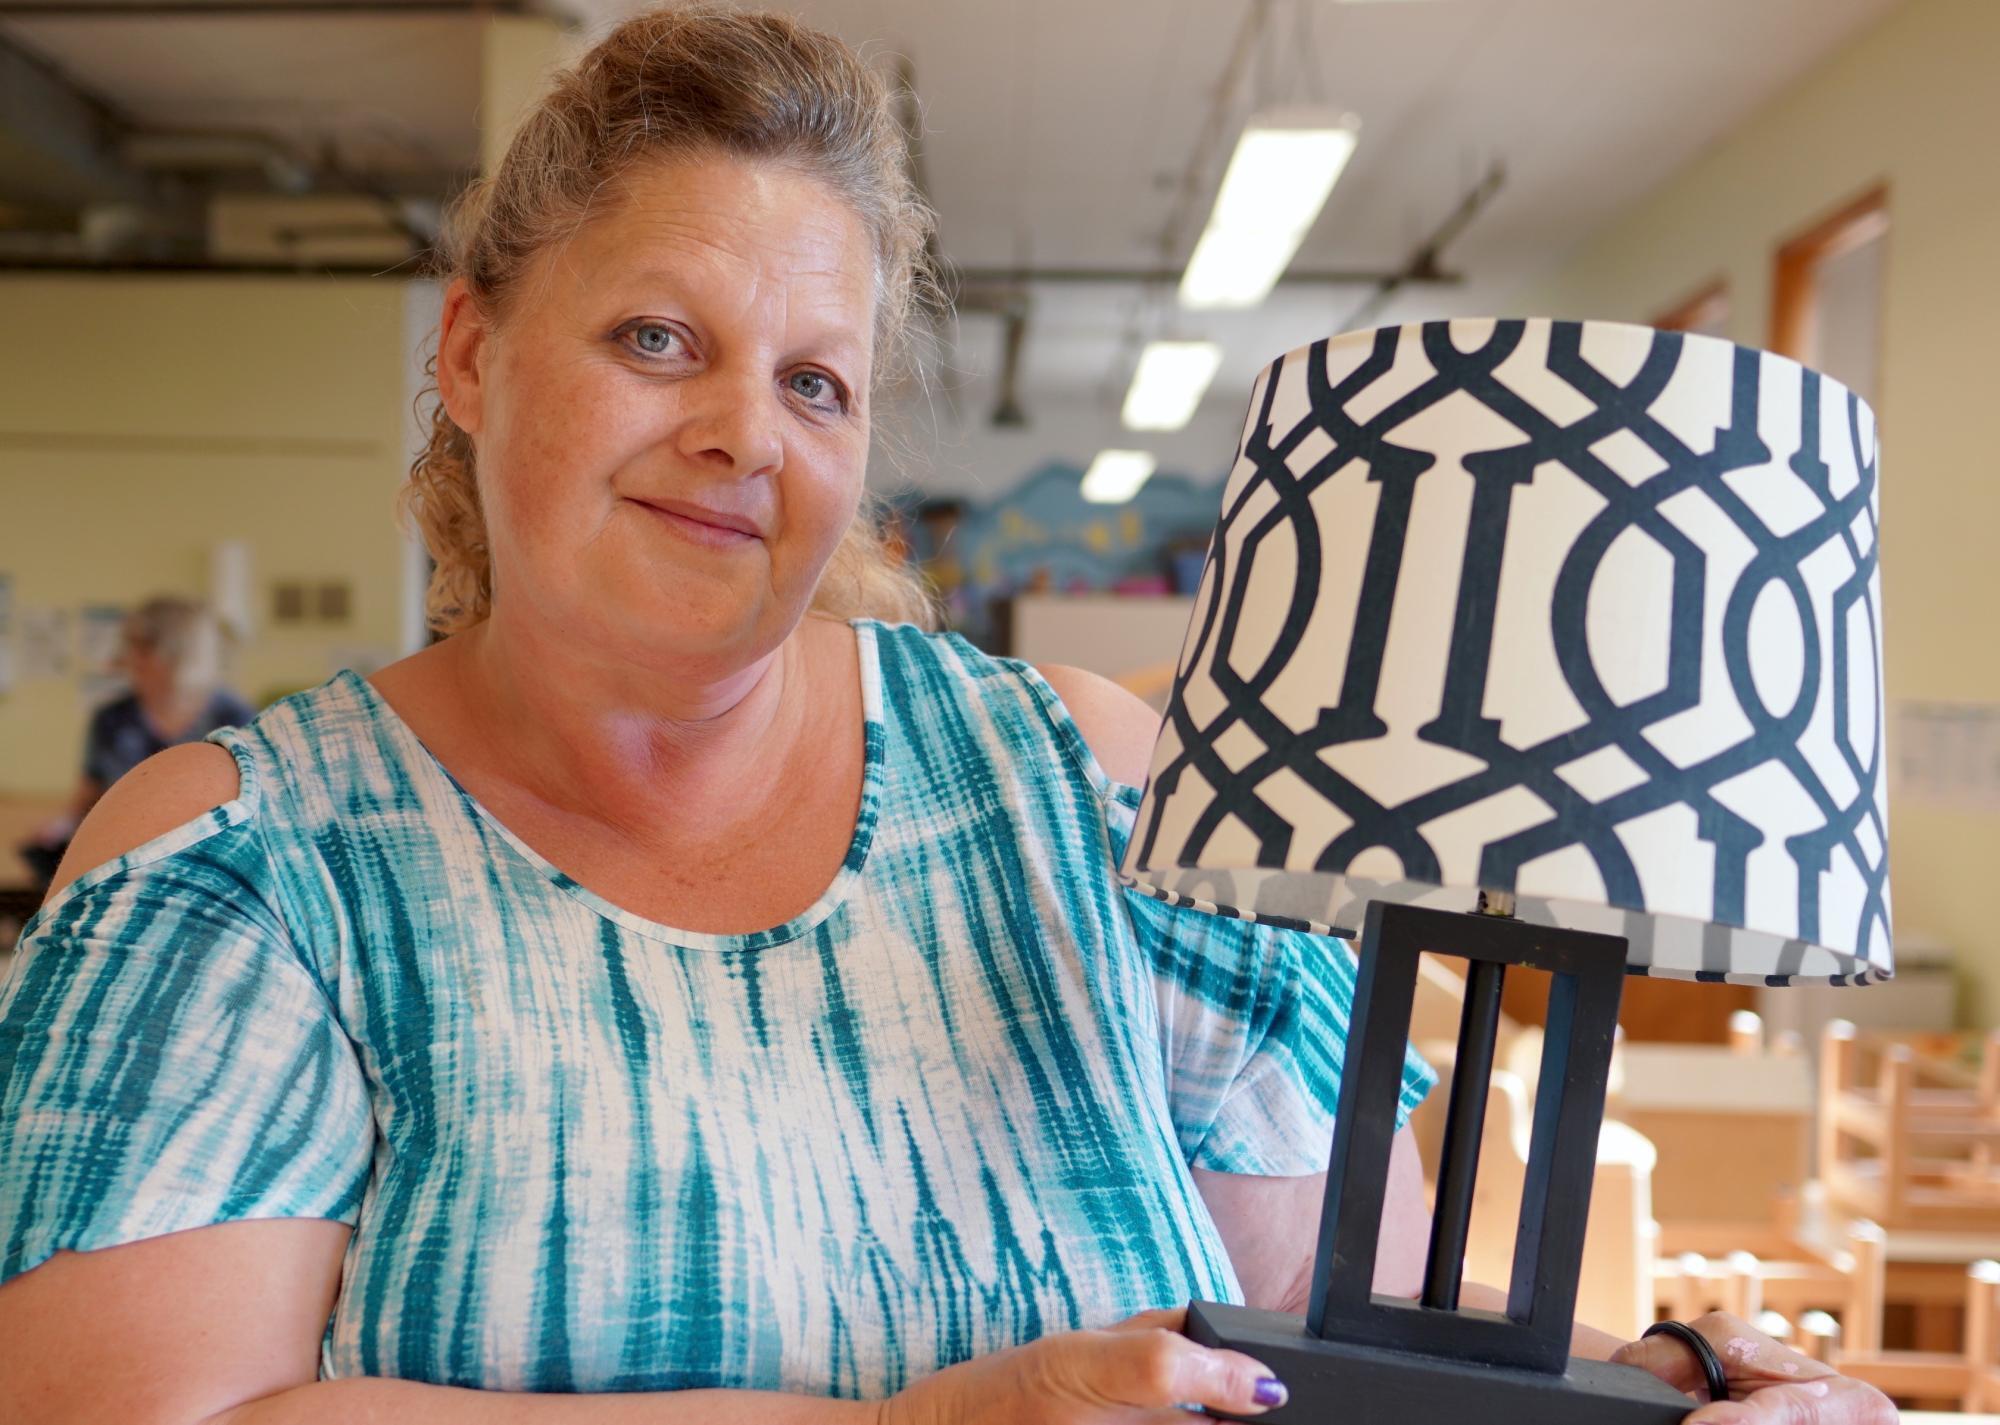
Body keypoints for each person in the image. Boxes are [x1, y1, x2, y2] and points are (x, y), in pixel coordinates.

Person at [0, 9, 1890, 1424]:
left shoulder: (1091, 796)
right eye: (660, 338)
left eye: (815, 383)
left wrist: (1654, 1384)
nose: (746, 431)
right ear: (475, 354)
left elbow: (1348, 1326)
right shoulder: (246, 867)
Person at [15, 595, 254, 887]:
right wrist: (58, 828)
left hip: (206, 871)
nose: (130, 658)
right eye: (132, 646)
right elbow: (86, 797)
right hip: (119, 867)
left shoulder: (234, 718)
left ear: (177, 654)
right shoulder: (111, 719)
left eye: (143, 648)